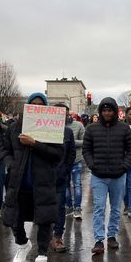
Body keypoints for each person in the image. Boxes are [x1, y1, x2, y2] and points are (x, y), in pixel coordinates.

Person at [3, 92, 64, 262]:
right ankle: (22, 244)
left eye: (41, 104)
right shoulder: (14, 128)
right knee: (15, 218)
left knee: (44, 221)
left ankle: (42, 257)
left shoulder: (51, 128)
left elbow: (57, 154)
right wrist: (11, 165)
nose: (37, 107)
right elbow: (6, 151)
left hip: (43, 183)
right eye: (33, 104)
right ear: (27, 106)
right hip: (19, 182)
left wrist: (34, 143)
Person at [83, 97, 131, 256]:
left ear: (114, 112)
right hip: (98, 176)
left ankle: (111, 235)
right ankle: (99, 239)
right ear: (100, 112)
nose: (107, 113)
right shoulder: (92, 129)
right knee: (99, 207)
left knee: (115, 208)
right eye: (104, 110)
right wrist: (92, 164)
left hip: (118, 176)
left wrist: (124, 166)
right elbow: (86, 150)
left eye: (110, 110)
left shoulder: (124, 128)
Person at [51, 103, 76, 253]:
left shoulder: (68, 132)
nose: (63, 117)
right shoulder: (41, 129)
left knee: (60, 206)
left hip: (60, 176)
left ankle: (58, 236)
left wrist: (66, 169)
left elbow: (71, 153)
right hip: (42, 176)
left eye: (65, 114)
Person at [64, 106, 86, 220]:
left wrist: (70, 142)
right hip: (62, 160)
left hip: (76, 159)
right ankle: (68, 206)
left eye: (68, 114)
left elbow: (84, 141)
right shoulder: (57, 126)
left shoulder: (78, 125)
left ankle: (77, 207)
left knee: (77, 184)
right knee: (66, 184)